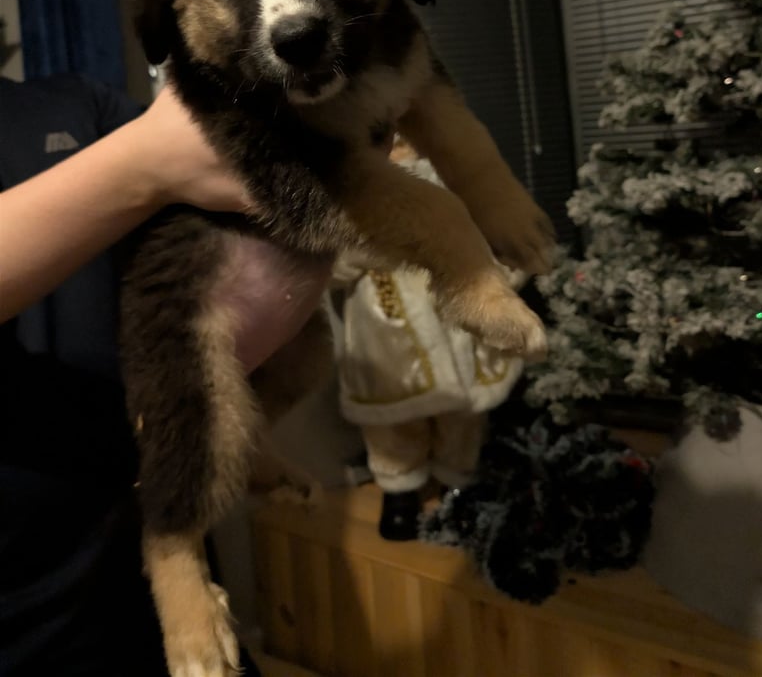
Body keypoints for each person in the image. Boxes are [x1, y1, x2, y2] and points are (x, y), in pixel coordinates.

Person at [0, 73, 332, 676]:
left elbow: (214, 185)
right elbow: (162, 159)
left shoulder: (75, 102)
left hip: (150, 551)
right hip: (23, 621)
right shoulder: (128, 145)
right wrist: (143, 166)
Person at [332, 137, 525, 541]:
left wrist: (503, 277)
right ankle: (399, 491)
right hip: (385, 323)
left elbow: (496, 228)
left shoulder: (456, 172)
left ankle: (458, 482)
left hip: (455, 304)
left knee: (464, 415)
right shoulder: (345, 185)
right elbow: (328, 261)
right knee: (393, 420)